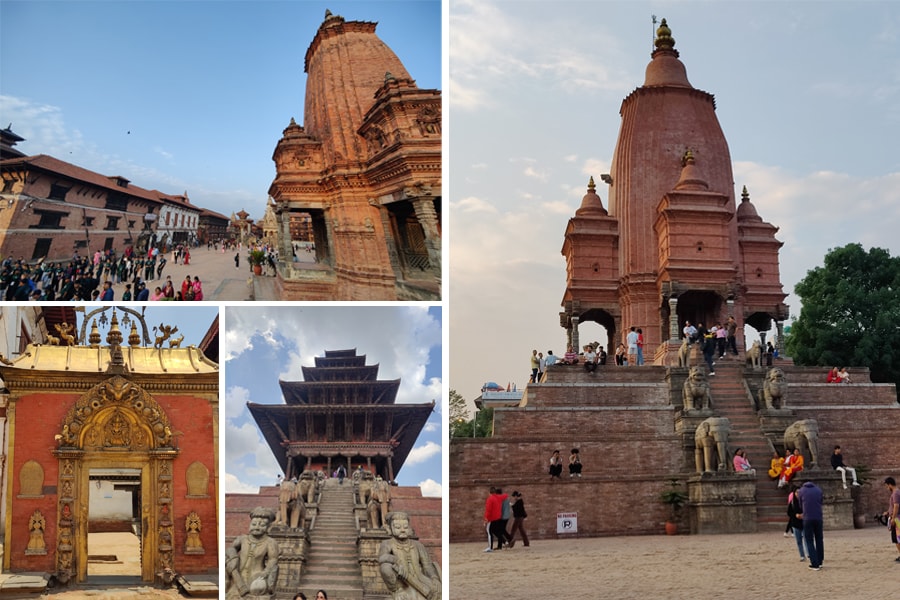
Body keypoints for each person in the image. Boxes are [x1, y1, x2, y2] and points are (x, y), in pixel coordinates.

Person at [378, 511, 440, 599]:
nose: (402, 530)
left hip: (420, 579)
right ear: (390, 529)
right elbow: (382, 558)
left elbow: (427, 565)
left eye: (405, 527)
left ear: (409, 528)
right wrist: (396, 561)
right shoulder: (387, 543)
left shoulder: (417, 545)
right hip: (402, 582)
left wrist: (434, 578)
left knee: (438, 591)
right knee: (385, 566)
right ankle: (398, 591)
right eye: (398, 527)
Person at [225, 507, 280, 597]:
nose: (257, 527)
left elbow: (273, 560)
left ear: (268, 527)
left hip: (257, 577)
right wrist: (234, 558)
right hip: (238, 576)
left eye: (262, 525)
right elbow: (231, 548)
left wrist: (264, 573)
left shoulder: (270, 542)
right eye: (254, 524)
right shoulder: (243, 539)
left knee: (257, 589)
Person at [798, 479, 824, 570]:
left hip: (807, 518)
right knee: (819, 539)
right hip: (818, 517)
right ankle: (820, 560)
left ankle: (814, 563)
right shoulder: (818, 490)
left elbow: (800, 505)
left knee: (809, 540)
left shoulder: (801, 491)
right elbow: (821, 502)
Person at [787, 483, 809, 560]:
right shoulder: (792, 503)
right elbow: (789, 513)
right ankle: (802, 555)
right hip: (795, 523)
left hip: (804, 522)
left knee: (806, 539)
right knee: (799, 541)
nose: (798, 494)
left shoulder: (804, 501)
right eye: (796, 492)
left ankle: (808, 553)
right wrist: (795, 515)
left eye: (799, 492)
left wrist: (803, 515)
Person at [883, 477, 900, 563]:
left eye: (887, 486)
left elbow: (896, 506)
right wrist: (888, 512)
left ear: (890, 484)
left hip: (897, 519)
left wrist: (893, 518)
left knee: (897, 538)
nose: (887, 488)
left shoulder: (896, 493)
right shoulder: (896, 492)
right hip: (896, 517)